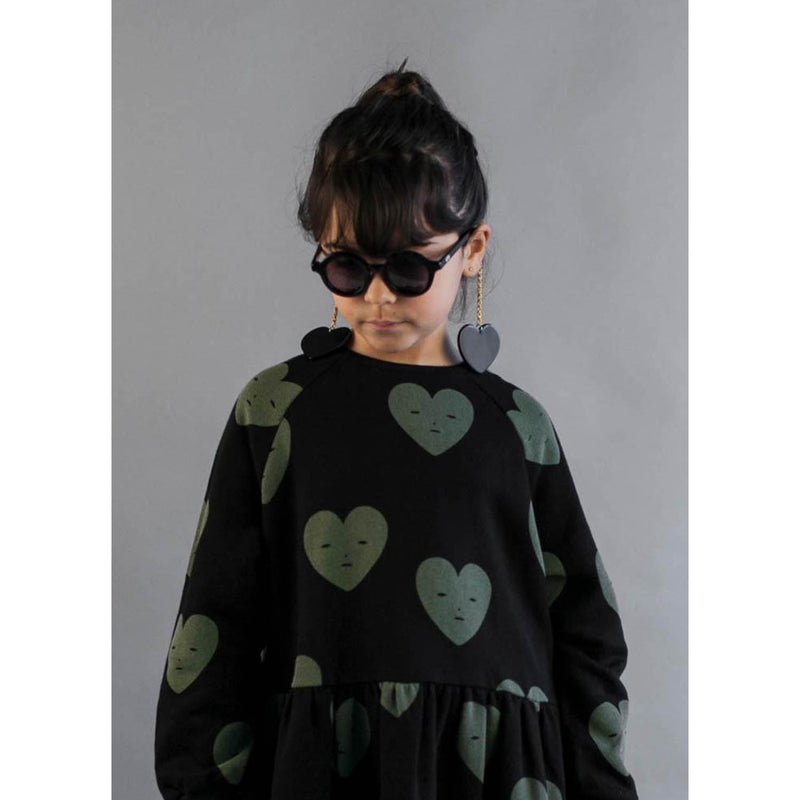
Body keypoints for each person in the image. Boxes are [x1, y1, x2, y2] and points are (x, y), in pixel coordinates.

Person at [154, 59, 640, 800]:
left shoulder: (518, 425)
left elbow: (585, 629)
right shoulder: (277, 410)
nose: (377, 296)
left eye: (410, 268)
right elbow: (213, 625)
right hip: (323, 771)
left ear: (471, 251)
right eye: (347, 268)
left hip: (497, 775)